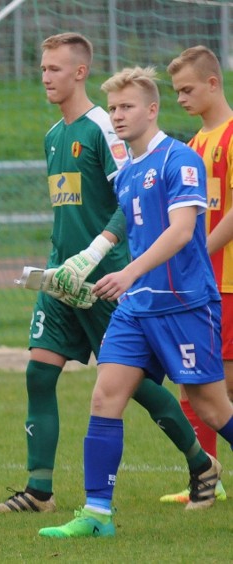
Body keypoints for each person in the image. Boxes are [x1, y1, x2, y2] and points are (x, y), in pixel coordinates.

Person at [0, 32, 213, 515]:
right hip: (62, 278)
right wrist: (58, 264)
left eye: (54, 69)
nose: (45, 77)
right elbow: (70, 211)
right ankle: (39, 490)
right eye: (42, 68)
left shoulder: (103, 129)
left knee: (137, 389)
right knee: (39, 373)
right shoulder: (53, 136)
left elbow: (127, 206)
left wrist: (93, 254)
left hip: (108, 279)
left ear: (80, 72)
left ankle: (199, 462)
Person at [39, 66, 233, 539]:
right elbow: (121, 226)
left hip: (184, 304)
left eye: (127, 107)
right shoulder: (128, 173)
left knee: (211, 408)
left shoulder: (180, 159)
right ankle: (97, 515)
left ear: (152, 109)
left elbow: (183, 231)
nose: (118, 116)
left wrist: (128, 272)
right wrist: (86, 263)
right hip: (137, 307)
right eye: (114, 108)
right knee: (106, 395)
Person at [159, 45, 233, 504]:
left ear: (212, 83)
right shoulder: (191, 146)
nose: (181, 98)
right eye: (175, 92)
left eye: (187, 90)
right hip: (202, 286)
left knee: (218, 382)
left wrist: (198, 253)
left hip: (227, 282)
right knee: (196, 376)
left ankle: (209, 480)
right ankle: (207, 478)